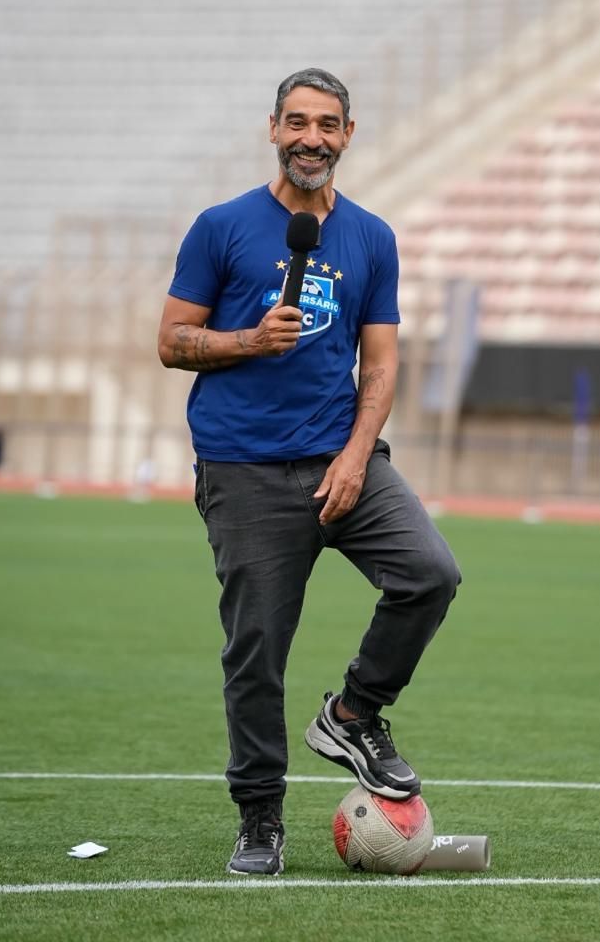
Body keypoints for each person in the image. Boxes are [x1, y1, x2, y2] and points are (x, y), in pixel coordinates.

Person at [158, 68, 461, 877]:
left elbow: (383, 364)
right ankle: (260, 818)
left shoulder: (371, 237)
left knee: (430, 572)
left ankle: (354, 714)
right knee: (256, 647)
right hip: (245, 471)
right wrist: (246, 341)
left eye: (327, 125)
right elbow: (172, 340)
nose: (311, 139)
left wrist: (359, 455)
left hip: (341, 458)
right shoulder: (221, 228)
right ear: (272, 128)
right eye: (297, 122)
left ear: (348, 136)